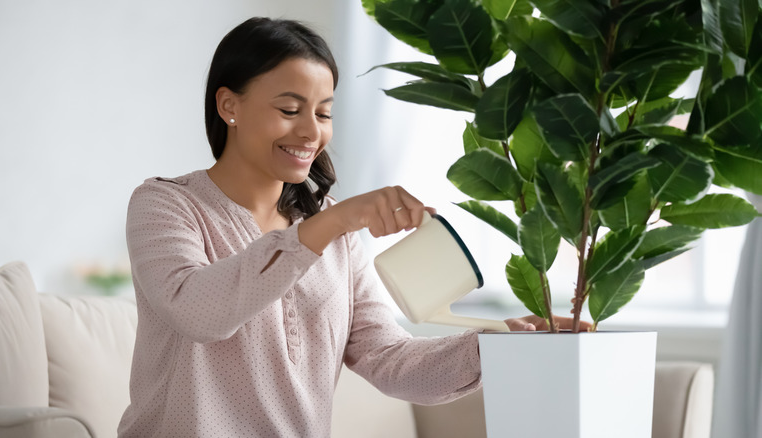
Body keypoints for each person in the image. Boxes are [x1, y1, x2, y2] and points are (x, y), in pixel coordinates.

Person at [118, 16, 578, 437]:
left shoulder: (332, 232)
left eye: (323, 113)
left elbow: (390, 358)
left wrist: (497, 346)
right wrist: (334, 221)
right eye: (289, 109)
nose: (310, 133)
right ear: (228, 105)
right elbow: (198, 313)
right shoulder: (165, 204)